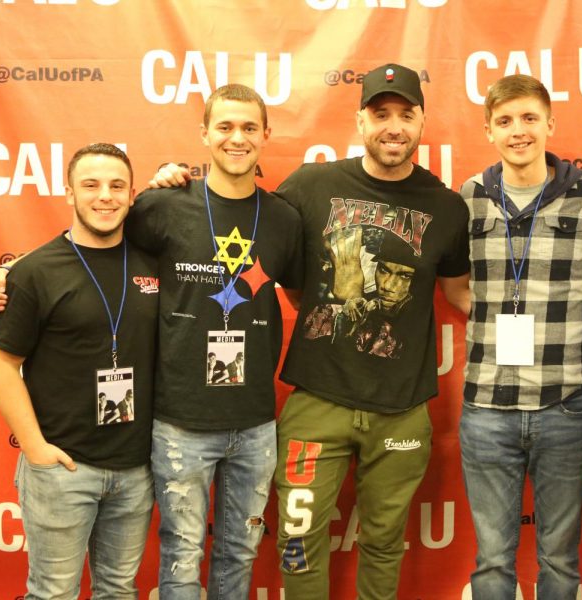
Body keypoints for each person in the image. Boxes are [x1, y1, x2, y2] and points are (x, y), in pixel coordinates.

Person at [151, 62, 470, 600]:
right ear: (360, 121)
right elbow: (282, 272)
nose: (393, 126)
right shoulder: (310, 186)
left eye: (405, 115)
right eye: (380, 114)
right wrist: (172, 182)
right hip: (317, 399)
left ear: (420, 123)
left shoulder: (446, 206)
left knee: (386, 541)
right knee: (297, 541)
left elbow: (459, 292)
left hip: (401, 404)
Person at [0, 85, 304, 600]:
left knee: (228, 554)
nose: (236, 138)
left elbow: (310, 295)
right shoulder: (163, 207)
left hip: (247, 423)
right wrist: (9, 272)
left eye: (248, 127)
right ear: (203, 134)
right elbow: (85, 241)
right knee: (174, 555)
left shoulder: (285, 218)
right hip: (177, 424)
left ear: (266, 135)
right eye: (224, 126)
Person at [452, 74, 582, 599]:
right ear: (488, 131)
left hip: (566, 402)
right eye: (504, 121)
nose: (518, 131)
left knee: (560, 562)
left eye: (528, 118)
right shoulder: (470, 197)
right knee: (492, 563)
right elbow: (455, 285)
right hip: (487, 407)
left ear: (550, 123)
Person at [0, 143, 158, 599]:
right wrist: (35, 447)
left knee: (119, 590)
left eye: (117, 185)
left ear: (132, 194)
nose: (105, 196)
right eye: (91, 185)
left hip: (135, 468)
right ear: (68, 193)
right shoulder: (35, 271)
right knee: (53, 592)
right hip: (62, 467)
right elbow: (1, 361)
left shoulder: (152, 263)